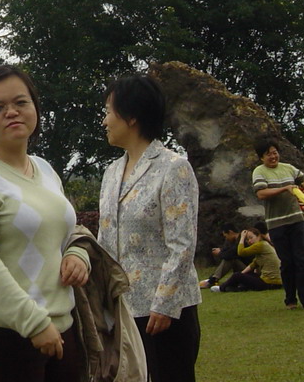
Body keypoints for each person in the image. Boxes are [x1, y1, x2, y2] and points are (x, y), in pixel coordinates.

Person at [0, 65, 93, 382]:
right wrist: (34, 324)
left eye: (21, 102)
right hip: (5, 332)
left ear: (35, 108)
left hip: (64, 325)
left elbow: (67, 233)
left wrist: (78, 256)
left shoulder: (45, 170)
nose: (11, 112)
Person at [98, 73, 201, 382]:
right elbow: (105, 242)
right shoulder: (111, 173)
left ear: (131, 117)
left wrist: (165, 304)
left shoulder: (173, 167)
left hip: (164, 315)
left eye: (107, 111)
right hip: (124, 312)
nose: (104, 120)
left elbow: (182, 244)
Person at [251, 136, 304, 310]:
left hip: (296, 220)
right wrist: (285, 188)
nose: (273, 157)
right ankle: (290, 299)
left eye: (274, 153)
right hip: (276, 224)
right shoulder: (259, 172)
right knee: (287, 262)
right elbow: (261, 194)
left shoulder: (288, 168)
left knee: (302, 260)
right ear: (261, 158)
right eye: (268, 154)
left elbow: (303, 179)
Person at [213, 228, 281, 293]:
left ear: (258, 236)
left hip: (269, 282)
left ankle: (221, 288)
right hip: (275, 283)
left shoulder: (260, 245)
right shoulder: (264, 245)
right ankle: (232, 288)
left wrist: (242, 238)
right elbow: (253, 265)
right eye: (247, 239)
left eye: (251, 238)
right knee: (244, 275)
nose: (249, 241)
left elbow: (241, 252)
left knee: (236, 275)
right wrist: (242, 274)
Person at [198, 222, 246, 289]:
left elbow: (232, 253)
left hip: (249, 267)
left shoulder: (242, 239)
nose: (226, 239)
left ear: (230, 232)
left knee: (231, 259)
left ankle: (212, 280)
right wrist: (221, 251)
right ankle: (213, 279)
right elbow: (228, 250)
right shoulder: (233, 241)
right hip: (244, 267)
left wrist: (220, 253)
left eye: (226, 236)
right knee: (230, 258)